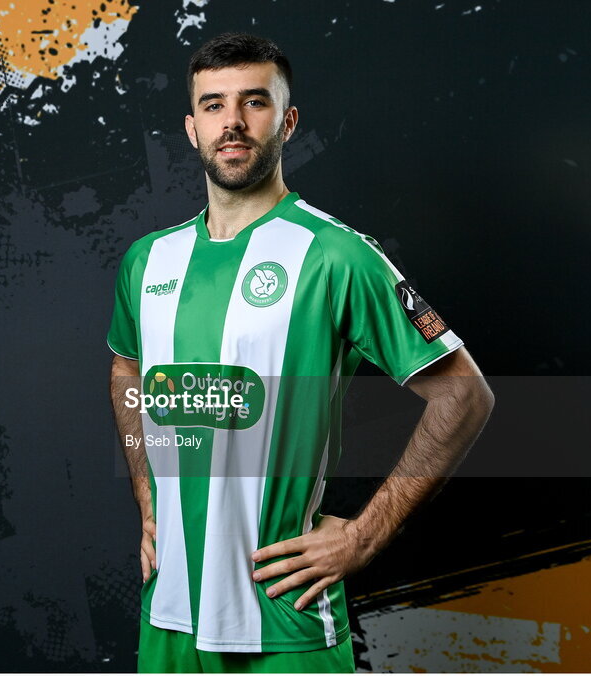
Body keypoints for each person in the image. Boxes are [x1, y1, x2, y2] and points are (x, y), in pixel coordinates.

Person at [107, 32, 494, 673]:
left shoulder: (335, 255)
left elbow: (463, 395)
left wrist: (364, 536)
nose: (232, 121)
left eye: (254, 102)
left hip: (284, 618)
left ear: (287, 122)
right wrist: (147, 492)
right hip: (168, 609)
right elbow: (127, 365)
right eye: (213, 105)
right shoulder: (148, 260)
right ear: (192, 128)